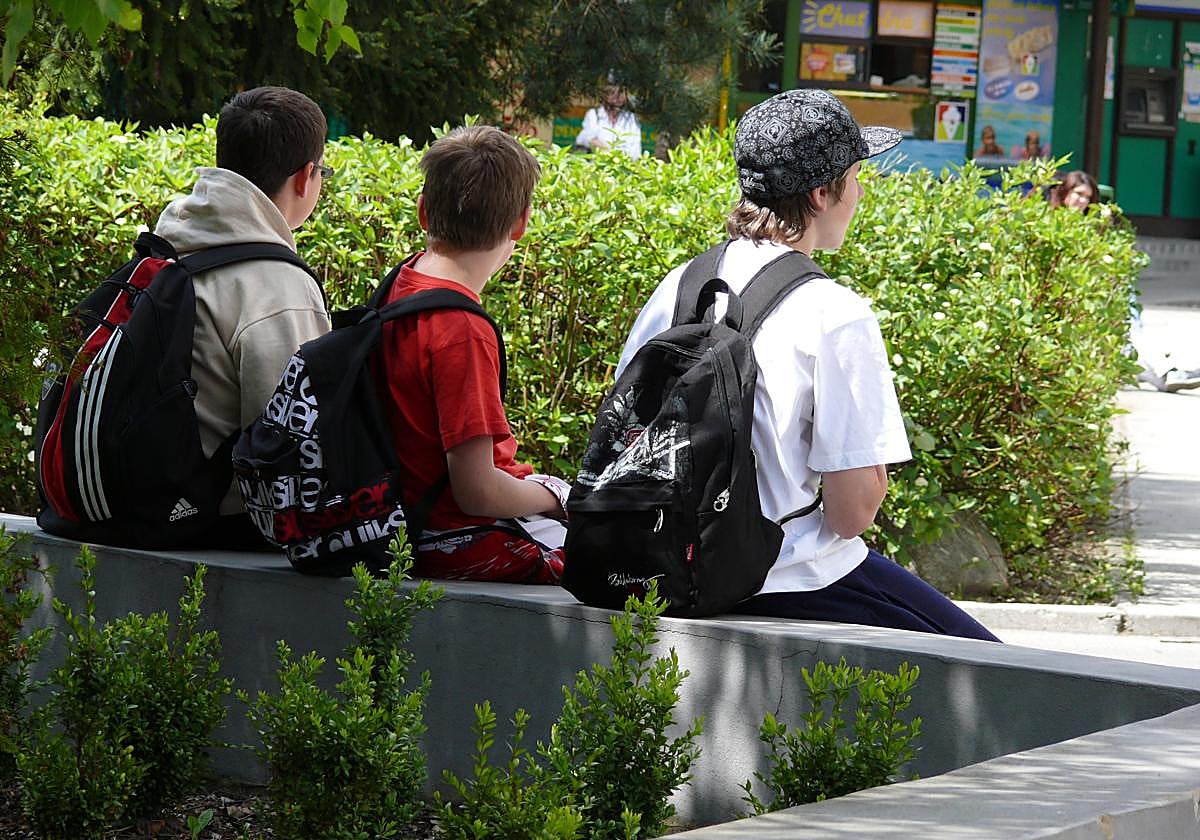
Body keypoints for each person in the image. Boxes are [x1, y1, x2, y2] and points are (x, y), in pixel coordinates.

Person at [617, 89, 1000, 641]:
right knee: (985, 664)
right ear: (822, 193)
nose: (861, 192)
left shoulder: (678, 286)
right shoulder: (834, 312)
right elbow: (851, 516)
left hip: (660, 567)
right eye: (855, 177)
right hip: (789, 577)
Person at [369, 125, 571, 583]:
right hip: (454, 537)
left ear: (423, 212)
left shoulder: (401, 283)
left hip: (401, 522)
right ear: (520, 223)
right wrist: (555, 496)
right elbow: (477, 492)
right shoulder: (461, 329)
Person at [155, 85, 332, 546]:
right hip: (214, 527)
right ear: (305, 176)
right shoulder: (278, 287)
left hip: (147, 503)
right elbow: (292, 451)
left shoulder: (170, 246)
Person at [1050, 171, 1200, 393]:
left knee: (1127, 326)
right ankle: (1168, 370)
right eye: (1078, 194)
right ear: (1064, 194)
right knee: (1125, 331)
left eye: (1088, 198)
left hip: (1099, 295)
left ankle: (1167, 372)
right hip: (1074, 297)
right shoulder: (1053, 224)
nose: (1082, 201)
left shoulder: (1091, 226)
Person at [574, 83, 642, 160]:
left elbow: (635, 151)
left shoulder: (631, 118)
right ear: (604, 95)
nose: (617, 98)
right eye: (612, 93)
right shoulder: (594, 115)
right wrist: (611, 153)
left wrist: (610, 152)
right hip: (596, 166)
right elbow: (585, 139)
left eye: (621, 93)